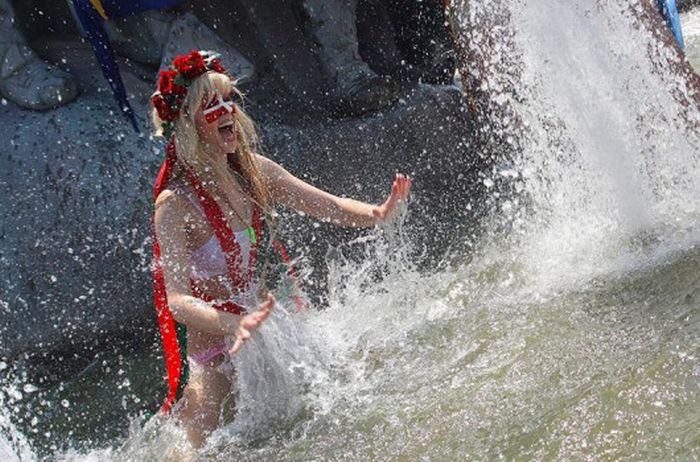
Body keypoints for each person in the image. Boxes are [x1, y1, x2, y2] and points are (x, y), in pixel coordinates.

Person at [150, 50, 412, 447]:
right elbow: (177, 301)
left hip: (265, 331)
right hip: (215, 354)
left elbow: (331, 206)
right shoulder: (175, 204)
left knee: (353, 384)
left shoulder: (254, 171)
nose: (227, 111)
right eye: (211, 104)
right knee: (198, 450)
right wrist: (232, 323)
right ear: (187, 124)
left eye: (228, 100)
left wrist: (378, 212)